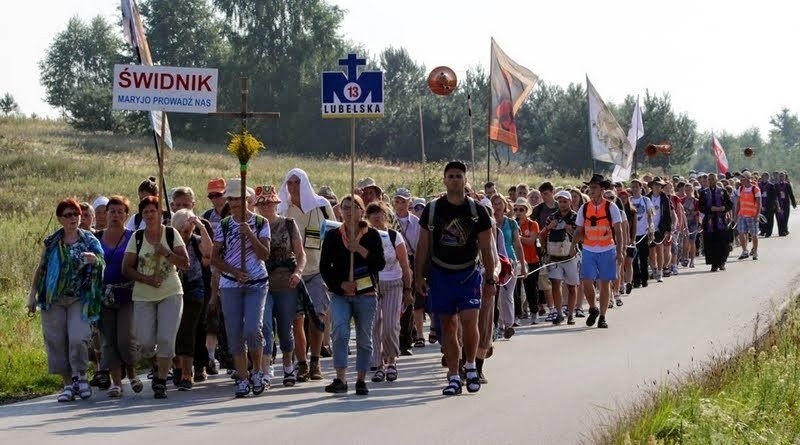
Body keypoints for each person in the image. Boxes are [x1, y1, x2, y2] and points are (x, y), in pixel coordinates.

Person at [415, 161, 495, 396]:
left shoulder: (476, 211)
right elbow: (422, 246)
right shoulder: (432, 209)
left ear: (465, 180)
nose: (454, 179)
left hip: (468, 274)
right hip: (441, 275)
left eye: (459, 176)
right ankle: (452, 375)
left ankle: (470, 365)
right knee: (448, 326)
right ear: (444, 180)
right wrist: (418, 275)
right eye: (450, 176)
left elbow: (487, 248)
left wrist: (490, 279)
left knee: (470, 321)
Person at [26, 198, 105, 403]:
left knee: (78, 338)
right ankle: (68, 384)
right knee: (57, 340)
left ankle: (81, 376)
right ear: (60, 219)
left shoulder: (89, 240)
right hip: (53, 299)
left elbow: (102, 262)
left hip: (80, 297)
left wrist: (95, 260)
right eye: (68, 215)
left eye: (76, 214)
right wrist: (32, 294)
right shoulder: (52, 242)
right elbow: (41, 268)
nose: (73, 218)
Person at [122, 196, 189, 399]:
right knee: (145, 342)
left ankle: (160, 380)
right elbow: (126, 268)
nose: (150, 215)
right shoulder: (138, 237)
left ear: (160, 213)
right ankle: (161, 363)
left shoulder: (170, 234)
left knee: (166, 339)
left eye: (153, 211)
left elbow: (185, 262)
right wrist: (146, 279)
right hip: (143, 295)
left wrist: (165, 253)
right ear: (142, 216)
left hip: (170, 292)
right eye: (146, 212)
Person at [210, 179, 271, 398]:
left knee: (253, 329)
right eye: (232, 199)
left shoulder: (261, 222)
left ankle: (257, 371)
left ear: (247, 200)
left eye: (239, 198)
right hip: (230, 284)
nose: (235, 203)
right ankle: (243, 378)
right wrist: (234, 271)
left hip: (256, 283)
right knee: (235, 334)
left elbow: (265, 254)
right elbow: (214, 258)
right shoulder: (224, 225)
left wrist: (250, 234)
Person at [320, 195, 385, 395]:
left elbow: (379, 264)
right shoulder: (333, 236)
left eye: (353, 207)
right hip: (341, 294)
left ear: (361, 211)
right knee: (340, 332)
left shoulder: (372, 235)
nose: (348, 211)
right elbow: (324, 267)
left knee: (364, 338)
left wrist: (360, 249)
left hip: (365, 294)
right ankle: (340, 378)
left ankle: (361, 379)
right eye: (345, 207)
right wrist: (340, 284)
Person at [278, 168, 335, 382]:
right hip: (292, 270)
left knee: (318, 315)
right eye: (290, 183)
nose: (293, 187)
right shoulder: (284, 208)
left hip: (318, 269)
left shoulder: (321, 205)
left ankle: (315, 360)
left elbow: (333, 233)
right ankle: (301, 363)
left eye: (297, 182)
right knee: (297, 319)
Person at [255, 185, 306, 388]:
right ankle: (266, 370)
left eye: (270, 202)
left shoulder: (288, 224)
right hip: (262, 284)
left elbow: (300, 254)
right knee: (265, 327)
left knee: (285, 328)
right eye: (262, 203)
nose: (266, 206)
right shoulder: (254, 226)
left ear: (277, 203)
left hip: (285, 282)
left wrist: (298, 273)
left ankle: (287, 365)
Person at [95, 196, 142, 397]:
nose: (115, 215)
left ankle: (131, 372)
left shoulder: (135, 237)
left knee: (125, 338)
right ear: (106, 214)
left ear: (126, 215)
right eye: (111, 211)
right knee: (108, 340)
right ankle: (116, 383)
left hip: (128, 294)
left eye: (119, 211)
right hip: (103, 296)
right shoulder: (95, 238)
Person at [366, 201, 412, 382]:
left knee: (391, 325)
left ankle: (391, 361)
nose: (377, 217)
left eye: (380, 213)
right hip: (372, 285)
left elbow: (404, 265)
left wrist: (408, 289)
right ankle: (378, 365)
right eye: (372, 214)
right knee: (374, 324)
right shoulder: (366, 237)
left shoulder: (395, 237)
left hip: (394, 283)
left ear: (386, 216)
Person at [571, 174, 623, 329]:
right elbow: (579, 229)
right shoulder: (584, 208)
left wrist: (620, 251)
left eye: (594, 187)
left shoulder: (611, 207)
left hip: (607, 249)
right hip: (588, 249)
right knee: (587, 281)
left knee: (604, 283)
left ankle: (602, 316)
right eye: (590, 187)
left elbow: (619, 230)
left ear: (601, 189)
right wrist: (572, 246)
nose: (591, 190)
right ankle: (593, 308)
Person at [171, 209, 213, 390]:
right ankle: (177, 367)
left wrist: (200, 226)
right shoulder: (169, 242)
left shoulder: (196, 242)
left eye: (186, 231)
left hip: (195, 290)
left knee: (188, 329)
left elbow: (209, 255)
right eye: (179, 231)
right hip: (172, 289)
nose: (183, 235)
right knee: (174, 331)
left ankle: (187, 373)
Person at [392, 188, 421, 353]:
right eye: (397, 201)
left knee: (409, 300)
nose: (400, 205)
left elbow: (418, 246)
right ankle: (392, 338)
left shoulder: (416, 222)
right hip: (392, 261)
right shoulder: (390, 220)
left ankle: (405, 339)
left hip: (410, 260)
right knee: (394, 301)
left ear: (409, 202)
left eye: (403, 201)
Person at [698, 173, 733, 272]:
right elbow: (700, 207)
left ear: (716, 180)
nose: (710, 181)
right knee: (711, 243)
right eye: (709, 179)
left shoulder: (722, 191)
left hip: (721, 221)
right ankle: (714, 264)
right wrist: (710, 209)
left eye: (712, 179)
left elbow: (730, 204)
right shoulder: (704, 193)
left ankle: (722, 262)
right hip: (709, 222)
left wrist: (724, 208)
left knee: (722, 243)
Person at [629, 179, 654, 288]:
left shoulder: (646, 200)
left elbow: (650, 216)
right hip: (632, 234)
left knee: (644, 257)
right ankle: (636, 280)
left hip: (643, 233)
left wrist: (651, 230)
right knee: (633, 259)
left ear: (640, 188)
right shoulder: (629, 200)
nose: (634, 189)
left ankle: (644, 279)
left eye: (636, 187)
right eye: (632, 187)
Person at [733, 171, 762, 260]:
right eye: (741, 179)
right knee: (742, 233)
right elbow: (738, 203)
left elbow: (759, 203)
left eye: (742, 178)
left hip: (752, 216)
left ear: (747, 179)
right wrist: (735, 215)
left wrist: (757, 215)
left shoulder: (755, 189)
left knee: (754, 235)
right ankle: (745, 250)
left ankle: (755, 252)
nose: (741, 180)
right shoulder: (740, 189)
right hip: (742, 215)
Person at [775, 172, 796, 236]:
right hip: (778, 204)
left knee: (785, 217)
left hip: (786, 204)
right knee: (779, 218)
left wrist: (793, 203)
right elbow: (774, 196)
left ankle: (784, 230)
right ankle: (781, 231)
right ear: (778, 177)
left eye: (782, 176)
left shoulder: (787, 185)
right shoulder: (775, 185)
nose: (781, 178)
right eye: (780, 176)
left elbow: (791, 195)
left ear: (785, 177)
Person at [758, 172, 777, 237]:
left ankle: (769, 232)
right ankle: (762, 231)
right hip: (760, 204)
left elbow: (774, 196)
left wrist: (773, 205)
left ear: (768, 178)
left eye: (766, 177)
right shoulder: (758, 185)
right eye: (763, 176)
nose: (765, 178)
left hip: (769, 205)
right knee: (761, 218)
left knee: (769, 219)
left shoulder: (771, 186)